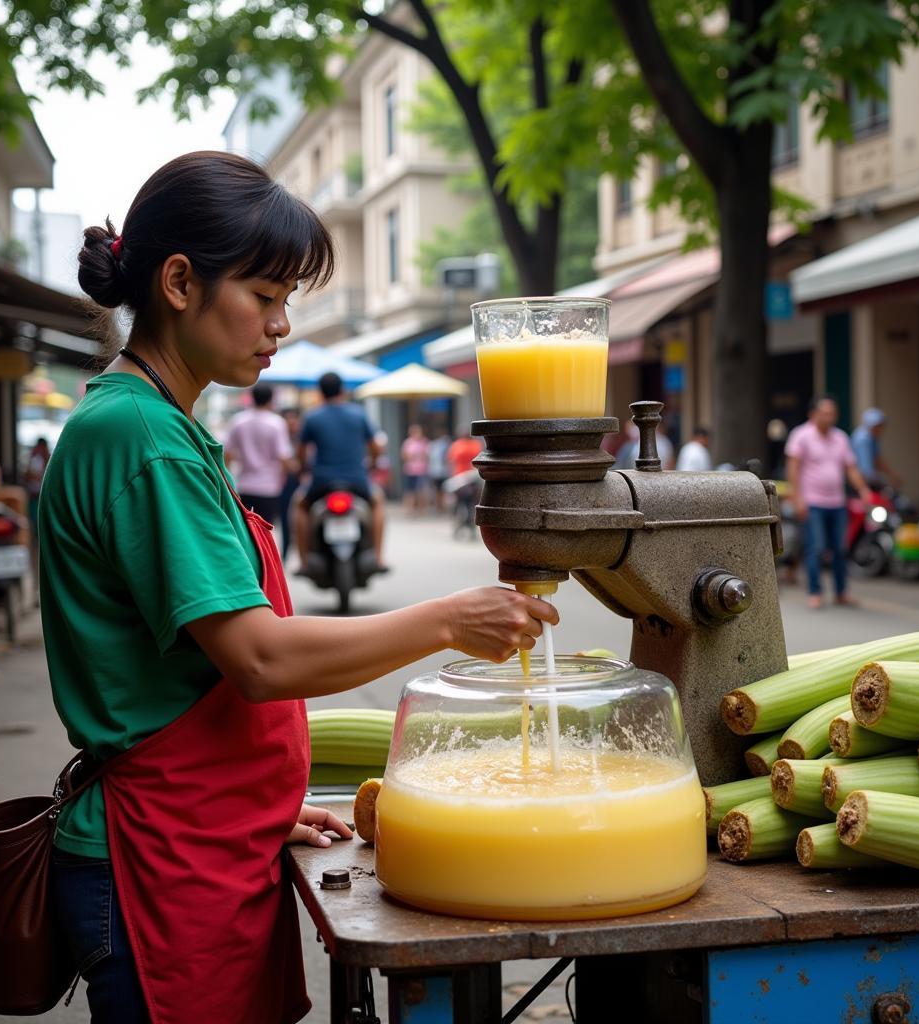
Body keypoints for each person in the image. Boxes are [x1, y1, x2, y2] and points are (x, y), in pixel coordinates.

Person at [38, 151, 556, 1024]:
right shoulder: (140, 436)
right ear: (177, 282)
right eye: (265, 297)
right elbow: (258, 658)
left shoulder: (157, 422)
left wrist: (258, 809)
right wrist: (445, 619)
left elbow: (170, 675)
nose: (280, 325)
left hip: (204, 836)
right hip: (158, 860)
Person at [785, 395, 873, 609]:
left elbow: (850, 467)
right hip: (813, 502)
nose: (830, 417)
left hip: (837, 502)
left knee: (840, 548)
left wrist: (863, 489)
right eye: (825, 413)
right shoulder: (801, 435)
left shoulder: (840, 438)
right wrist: (798, 499)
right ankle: (815, 592)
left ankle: (841, 592)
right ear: (813, 414)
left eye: (832, 413)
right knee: (815, 548)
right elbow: (793, 468)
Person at [295, 371, 386, 572]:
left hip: (321, 482)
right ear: (342, 390)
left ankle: (302, 562)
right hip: (357, 481)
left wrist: (302, 467)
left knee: (299, 506)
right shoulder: (359, 413)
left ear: (320, 392)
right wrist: (373, 463)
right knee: (378, 502)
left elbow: (300, 452)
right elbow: (375, 447)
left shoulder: (312, 416)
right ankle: (379, 558)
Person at [224, 383, 294, 527]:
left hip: (244, 486)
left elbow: (227, 455)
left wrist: (229, 481)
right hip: (269, 487)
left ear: (252, 398)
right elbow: (284, 458)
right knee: (265, 530)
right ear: (271, 399)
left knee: (245, 530)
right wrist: (285, 476)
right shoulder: (276, 423)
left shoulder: (238, 421)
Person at [850, 408, 901, 488]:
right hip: (860, 484)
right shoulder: (862, 439)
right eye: (878, 426)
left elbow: (878, 459)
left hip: (867, 481)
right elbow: (865, 470)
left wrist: (892, 475)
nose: (881, 429)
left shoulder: (873, 438)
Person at [277, 406, 303, 558]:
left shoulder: (303, 438)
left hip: (299, 483)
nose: (291, 422)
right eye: (288, 419)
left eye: (294, 418)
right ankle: (284, 557)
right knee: (285, 521)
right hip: (283, 485)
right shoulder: (278, 436)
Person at [401, 423, 431, 514]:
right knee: (409, 491)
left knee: (421, 491)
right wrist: (416, 456)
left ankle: (421, 510)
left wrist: (414, 456)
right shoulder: (407, 443)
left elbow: (427, 456)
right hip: (410, 470)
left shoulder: (424, 442)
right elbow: (405, 456)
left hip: (421, 470)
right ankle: (410, 509)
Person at [22, 436, 51, 528]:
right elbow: (27, 476)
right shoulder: (34, 459)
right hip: (34, 494)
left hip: (45, 495)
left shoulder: (50, 459)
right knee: (33, 519)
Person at [427, 428, 453, 513]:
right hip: (438, 472)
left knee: (442, 491)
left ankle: (441, 507)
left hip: (441, 472)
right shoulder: (434, 446)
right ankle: (439, 507)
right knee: (439, 491)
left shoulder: (435, 446)